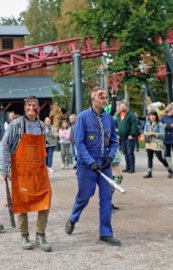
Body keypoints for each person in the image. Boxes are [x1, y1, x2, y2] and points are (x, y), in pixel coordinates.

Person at [65, 88, 121, 246]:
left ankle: (106, 233)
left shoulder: (109, 118)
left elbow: (115, 140)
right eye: (101, 97)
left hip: (104, 165)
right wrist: (90, 162)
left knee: (106, 198)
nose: (104, 100)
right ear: (93, 99)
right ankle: (74, 217)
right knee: (85, 195)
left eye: (106, 97)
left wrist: (110, 157)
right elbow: (79, 143)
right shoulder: (82, 118)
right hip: (86, 166)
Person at [0, 96, 52, 252]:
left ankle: (40, 235)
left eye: (34, 105)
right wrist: (4, 168)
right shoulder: (16, 125)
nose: (31, 108)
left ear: (38, 108)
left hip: (39, 173)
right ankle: (24, 236)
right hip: (21, 172)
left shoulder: (42, 126)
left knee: (46, 200)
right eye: (28, 105)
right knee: (22, 204)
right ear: (24, 108)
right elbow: (4, 146)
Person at [143, 110, 173, 179]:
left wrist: (154, 133)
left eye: (153, 115)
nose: (152, 117)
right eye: (150, 115)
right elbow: (144, 131)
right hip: (149, 142)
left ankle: (169, 169)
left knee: (160, 157)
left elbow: (163, 135)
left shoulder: (160, 124)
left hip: (157, 142)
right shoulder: (147, 123)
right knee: (149, 157)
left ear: (156, 116)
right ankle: (149, 172)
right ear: (148, 116)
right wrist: (147, 133)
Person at [115, 102, 137, 173]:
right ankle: (127, 167)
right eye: (120, 106)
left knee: (130, 152)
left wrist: (132, 134)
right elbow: (116, 126)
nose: (122, 108)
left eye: (123, 106)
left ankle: (132, 168)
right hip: (121, 137)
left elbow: (134, 125)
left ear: (127, 106)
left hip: (129, 137)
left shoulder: (131, 115)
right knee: (125, 152)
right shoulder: (118, 115)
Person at [161, 105, 173, 171]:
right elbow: (160, 127)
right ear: (169, 111)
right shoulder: (163, 118)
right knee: (168, 150)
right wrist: (163, 126)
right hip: (167, 136)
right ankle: (169, 165)